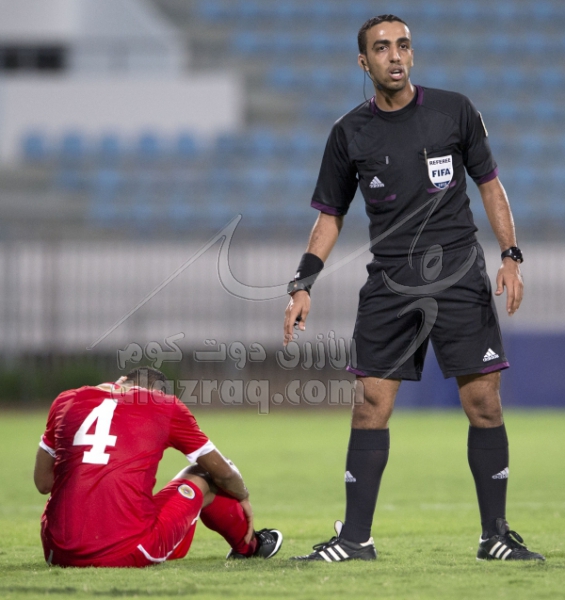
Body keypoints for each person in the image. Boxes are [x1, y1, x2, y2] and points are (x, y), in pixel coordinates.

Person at [283, 15, 544, 562]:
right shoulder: (349, 133)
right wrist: (303, 283)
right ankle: (355, 540)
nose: (395, 55)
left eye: (402, 45)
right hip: (391, 283)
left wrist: (511, 255)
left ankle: (495, 535)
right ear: (364, 62)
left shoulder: (454, 111)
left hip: (458, 276)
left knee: (484, 402)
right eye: (382, 48)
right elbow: (330, 216)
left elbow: (490, 185)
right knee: (370, 405)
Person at [34, 366, 282, 567]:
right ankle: (249, 546)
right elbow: (224, 473)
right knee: (206, 473)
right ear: (157, 393)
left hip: (57, 552)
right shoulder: (165, 405)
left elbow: (43, 483)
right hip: (126, 551)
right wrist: (244, 496)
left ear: (122, 380)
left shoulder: (66, 400)